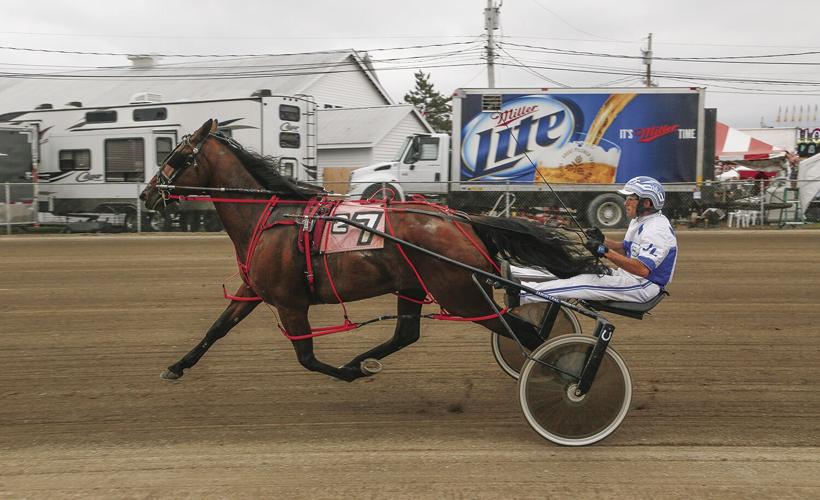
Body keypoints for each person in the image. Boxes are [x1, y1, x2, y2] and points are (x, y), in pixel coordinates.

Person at [508, 176, 677, 306]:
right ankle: (515, 272)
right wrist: (603, 240)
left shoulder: (657, 230)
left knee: (584, 283)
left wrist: (604, 251)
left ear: (647, 203)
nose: (625, 203)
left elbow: (642, 269)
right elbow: (626, 249)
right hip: (629, 277)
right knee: (575, 268)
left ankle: (524, 294)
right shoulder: (640, 220)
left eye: (630, 199)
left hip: (642, 286)